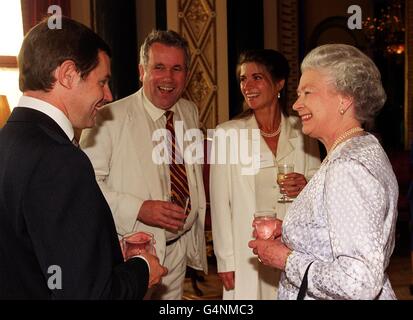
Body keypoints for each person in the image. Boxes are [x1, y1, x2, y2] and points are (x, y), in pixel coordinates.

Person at [0, 16, 167, 299]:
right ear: (68, 75)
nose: (108, 94)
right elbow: (87, 294)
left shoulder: (8, 140)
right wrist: (141, 269)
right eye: (101, 82)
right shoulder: (60, 160)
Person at [249, 44, 398, 300]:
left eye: (308, 92)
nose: (296, 104)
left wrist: (286, 259)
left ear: (345, 99)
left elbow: (359, 282)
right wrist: (291, 231)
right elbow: (341, 233)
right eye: (298, 94)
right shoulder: (361, 148)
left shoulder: (348, 168)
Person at [80, 30, 207, 300]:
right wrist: (140, 208)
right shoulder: (106, 117)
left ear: (187, 74)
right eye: (158, 67)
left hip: (178, 251)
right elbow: (86, 189)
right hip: (133, 257)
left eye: (177, 69)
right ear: (142, 71)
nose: (168, 78)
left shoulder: (189, 111)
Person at [210, 49, 320, 300]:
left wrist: (305, 184)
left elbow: (320, 186)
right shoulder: (227, 134)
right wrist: (225, 259)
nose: (247, 85)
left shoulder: (304, 131)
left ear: (279, 83)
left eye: (256, 77)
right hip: (247, 251)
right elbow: (219, 203)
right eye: (242, 79)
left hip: (293, 247)